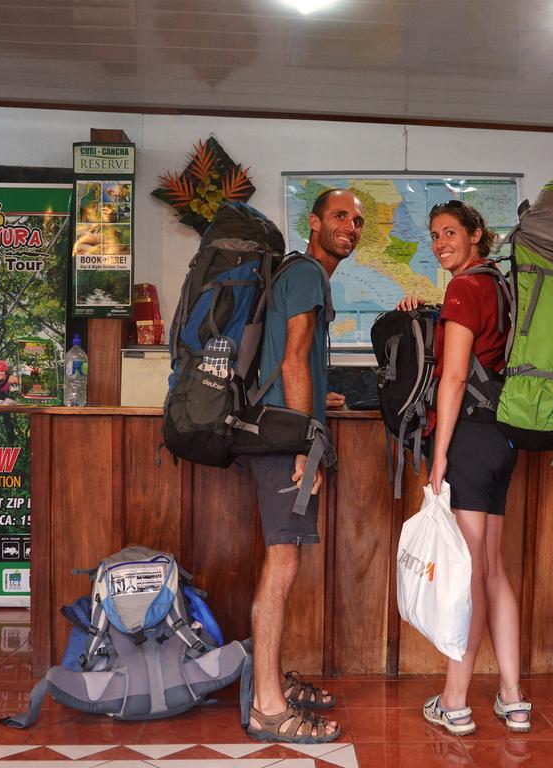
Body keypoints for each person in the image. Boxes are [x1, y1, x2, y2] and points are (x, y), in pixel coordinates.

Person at [397, 200, 531, 735]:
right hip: (503, 441)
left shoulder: (463, 289)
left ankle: (454, 701)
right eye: (434, 235)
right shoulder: (499, 285)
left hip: (469, 442)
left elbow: (453, 379)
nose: (439, 242)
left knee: (470, 575)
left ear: (477, 234)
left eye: (450, 232)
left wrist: (441, 456)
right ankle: (513, 699)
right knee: (494, 570)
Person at [245, 189, 364, 744]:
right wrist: (304, 443)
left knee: (283, 561)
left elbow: (297, 361)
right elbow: (293, 357)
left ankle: (273, 683)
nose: (352, 226)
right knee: (283, 563)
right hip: (283, 442)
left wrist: (322, 398)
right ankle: (267, 707)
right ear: (314, 223)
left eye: (358, 220)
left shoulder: (301, 276)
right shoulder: (309, 274)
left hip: (280, 429)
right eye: (341, 216)